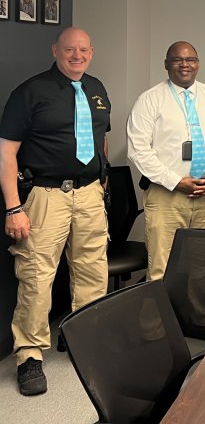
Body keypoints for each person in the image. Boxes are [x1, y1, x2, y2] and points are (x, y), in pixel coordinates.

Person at [0, 27, 111, 396]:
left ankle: (86, 339)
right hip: (47, 196)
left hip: (90, 194)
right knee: (36, 274)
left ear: (91, 52)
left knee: (92, 269)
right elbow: (6, 153)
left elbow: (100, 137)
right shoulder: (29, 92)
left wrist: (103, 179)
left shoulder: (96, 88)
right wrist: (13, 207)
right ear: (55, 50)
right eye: (69, 49)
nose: (76, 56)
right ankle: (29, 356)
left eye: (83, 50)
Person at [127, 41, 205, 281]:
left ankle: (199, 319)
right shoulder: (150, 100)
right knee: (162, 268)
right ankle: (160, 320)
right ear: (166, 64)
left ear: (198, 64)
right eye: (178, 60)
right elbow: (138, 150)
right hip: (166, 195)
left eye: (190, 60)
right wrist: (176, 181)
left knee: (204, 265)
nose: (184, 65)